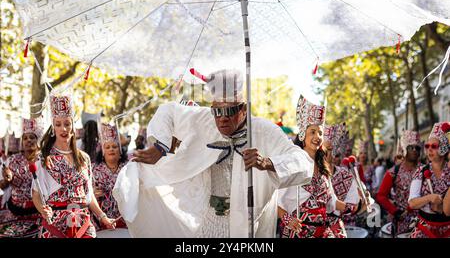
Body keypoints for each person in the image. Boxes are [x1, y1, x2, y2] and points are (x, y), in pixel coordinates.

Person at [113, 69, 314, 237]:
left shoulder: (263, 131)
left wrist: (268, 162)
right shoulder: (204, 119)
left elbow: (303, 162)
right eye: (217, 111)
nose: (222, 119)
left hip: (244, 225)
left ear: (243, 109)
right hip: (209, 220)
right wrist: (160, 146)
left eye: (229, 111)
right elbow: (168, 111)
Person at [278, 97, 366, 238]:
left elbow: (332, 202)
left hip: (323, 231)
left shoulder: (323, 169)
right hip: (298, 233)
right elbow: (272, 199)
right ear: (302, 135)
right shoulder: (292, 164)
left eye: (320, 132)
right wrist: (287, 219)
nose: (317, 136)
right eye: (312, 131)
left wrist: (355, 207)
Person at [32, 95, 116, 238]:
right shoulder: (44, 158)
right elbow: (36, 194)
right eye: (58, 124)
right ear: (53, 127)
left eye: (67, 123)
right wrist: (42, 209)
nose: (63, 128)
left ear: (73, 125)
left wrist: (103, 217)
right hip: (55, 224)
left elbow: (89, 196)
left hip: (83, 223)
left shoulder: (84, 158)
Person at [0, 118, 43, 238]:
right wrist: (6, 180)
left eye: (32, 137)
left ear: (38, 139)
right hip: (15, 214)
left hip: (38, 214)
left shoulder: (45, 160)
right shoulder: (13, 160)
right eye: (25, 138)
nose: (28, 140)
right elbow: (2, 186)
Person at [408, 122, 450, 238]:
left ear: (443, 149)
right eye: (427, 146)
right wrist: (429, 198)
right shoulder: (420, 171)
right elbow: (412, 203)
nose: (429, 150)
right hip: (425, 229)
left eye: (434, 146)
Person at [376, 130, 421, 237]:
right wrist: (395, 212)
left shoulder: (426, 170)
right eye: (411, 147)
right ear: (404, 150)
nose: (414, 150)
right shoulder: (393, 172)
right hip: (402, 221)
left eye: (417, 148)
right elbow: (381, 196)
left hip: (423, 221)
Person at [324, 123, 364, 237]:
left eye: (329, 149)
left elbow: (353, 205)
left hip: (337, 226)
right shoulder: (307, 173)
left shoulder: (345, 174)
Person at [92, 123, 128, 229]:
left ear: (120, 151)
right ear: (103, 152)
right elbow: (86, 192)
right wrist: (93, 193)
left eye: (114, 146)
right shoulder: (93, 169)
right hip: (100, 221)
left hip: (124, 219)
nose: (111, 149)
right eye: (107, 147)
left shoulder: (128, 168)